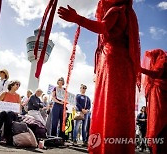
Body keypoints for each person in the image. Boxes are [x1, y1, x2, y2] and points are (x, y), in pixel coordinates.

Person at [58, 0, 140, 153]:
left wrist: (77, 18)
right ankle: (117, 146)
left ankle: (108, 147)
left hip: (113, 62)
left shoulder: (116, 10)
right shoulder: (127, 11)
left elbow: (102, 27)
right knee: (119, 106)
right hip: (120, 64)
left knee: (110, 105)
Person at [141, 49, 167, 154]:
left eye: (152, 57)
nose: (151, 61)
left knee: (159, 123)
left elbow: (156, 73)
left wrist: (139, 69)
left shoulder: (163, 60)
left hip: (160, 96)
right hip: (157, 96)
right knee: (156, 123)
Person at [0, 80, 21, 145]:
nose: (18, 86)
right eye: (17, 84)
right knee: (3, 113)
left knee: (10, 113)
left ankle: (6, 137)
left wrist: (17, 111)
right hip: (4, 112)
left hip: (13, 114)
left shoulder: (18, 96)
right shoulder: (4, 93)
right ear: (11, 85)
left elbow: (19, 108)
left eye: (19, 85)